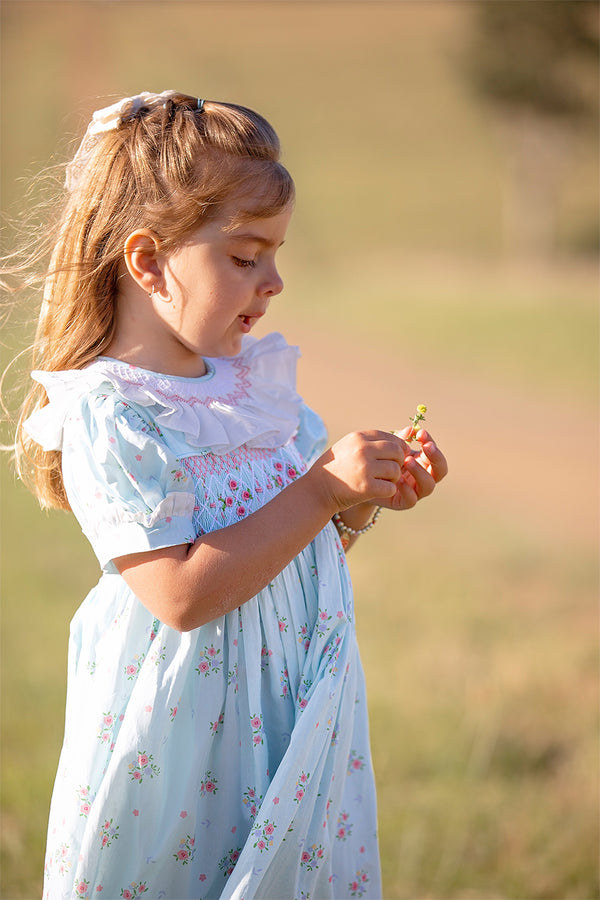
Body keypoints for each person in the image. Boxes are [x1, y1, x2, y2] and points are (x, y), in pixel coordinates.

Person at [15, 91, 447, 900]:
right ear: (147, 262)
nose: (274, 281)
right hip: (182, 744)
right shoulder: (111, 412)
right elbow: (180, 594)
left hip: (283, 718)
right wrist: (321, 488)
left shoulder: (254, 391)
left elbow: (284, 561)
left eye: (276, 255)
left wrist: (358, 502)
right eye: (246, 256)